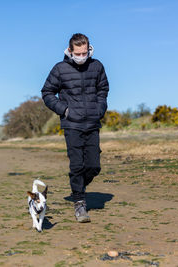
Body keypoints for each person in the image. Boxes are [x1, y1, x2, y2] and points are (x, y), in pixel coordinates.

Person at [41, 33, 109, 223]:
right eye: (78, 53)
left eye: (84, 52)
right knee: (77, 165)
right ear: (70, 51)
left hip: (92, 122)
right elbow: (47, 93)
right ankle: (79, 202)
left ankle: (77, 186)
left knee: (94, 166)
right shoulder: (60, 69)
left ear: (89, 50)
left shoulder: (97, 67)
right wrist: (65, 110)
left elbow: (103, 89)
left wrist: (100, 108)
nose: (81, 56)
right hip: (72, 124)